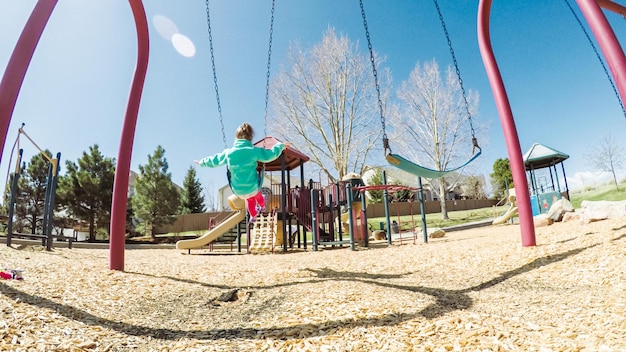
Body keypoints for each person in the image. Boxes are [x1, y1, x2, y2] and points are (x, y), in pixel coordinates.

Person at [194, 122, 288, 219]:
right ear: (251, 138)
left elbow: (215, 160)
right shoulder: (253, 151)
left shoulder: (229, 153)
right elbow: (270, 155)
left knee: (249, 199)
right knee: (257, 194)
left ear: (236, 138)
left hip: (238, 191)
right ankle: (262, 205)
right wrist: (280, 146)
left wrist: (202, 162)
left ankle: (253, 215)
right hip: (253, 188)